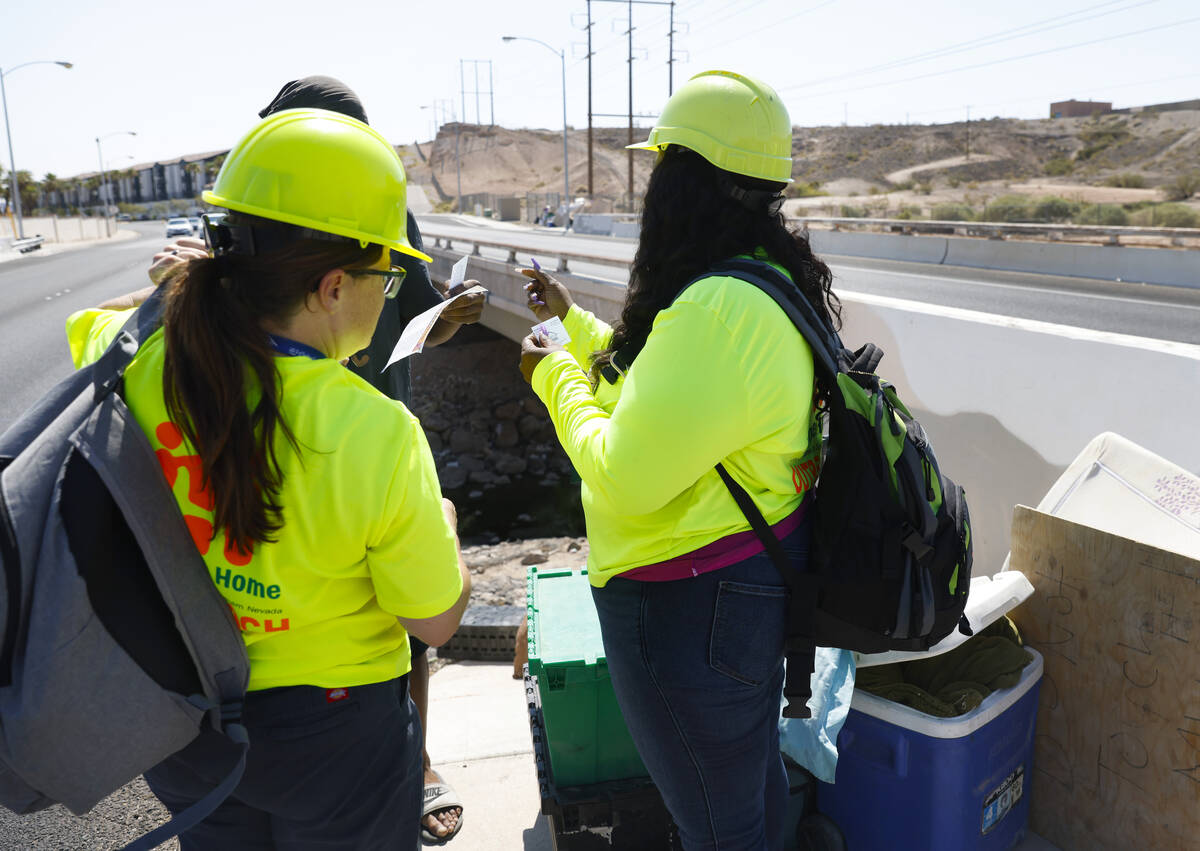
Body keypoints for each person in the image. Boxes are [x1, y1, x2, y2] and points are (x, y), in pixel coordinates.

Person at [65, 108, 471, 850]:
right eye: (386, 273)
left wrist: (177, 290)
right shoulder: (375, 429)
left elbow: (88, 324)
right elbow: (435, 620)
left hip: (188, 725)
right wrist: (442, 524)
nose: (390, 292)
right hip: (337, 738)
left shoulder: (143, 366)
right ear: (332, 286)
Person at [515, 70, 840, 851]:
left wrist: (552, 373)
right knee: (747, 794)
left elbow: (624, 467)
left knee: (717, 826)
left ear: (685, 183)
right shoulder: (759, 285)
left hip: (689, 606)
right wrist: (577, 325)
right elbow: (669, 390)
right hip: (740, 595)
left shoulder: (716, 311)